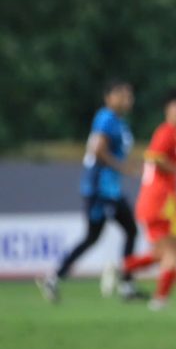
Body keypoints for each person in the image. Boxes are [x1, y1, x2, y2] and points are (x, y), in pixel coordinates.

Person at [37, 79, 144, 302]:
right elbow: (97, 150)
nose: (127, 99)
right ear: (109, 97)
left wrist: (126, 165)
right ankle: (126, 285)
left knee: (100, 236)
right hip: (100, 191)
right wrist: (123, 167)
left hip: (110, 190)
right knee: (123, 231)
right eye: (122, 94)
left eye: (129, 95)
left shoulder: (120, 122)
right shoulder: (106, 118)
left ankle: (55, 278)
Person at [111, 88, 176, 311]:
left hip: (164, 200)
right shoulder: (167, 132)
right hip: (161, 201)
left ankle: (122, 269)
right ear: (174, 108)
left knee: (167, 253)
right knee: (172, 253)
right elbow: (153, 156)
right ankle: (159, 300)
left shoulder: (175, 134)